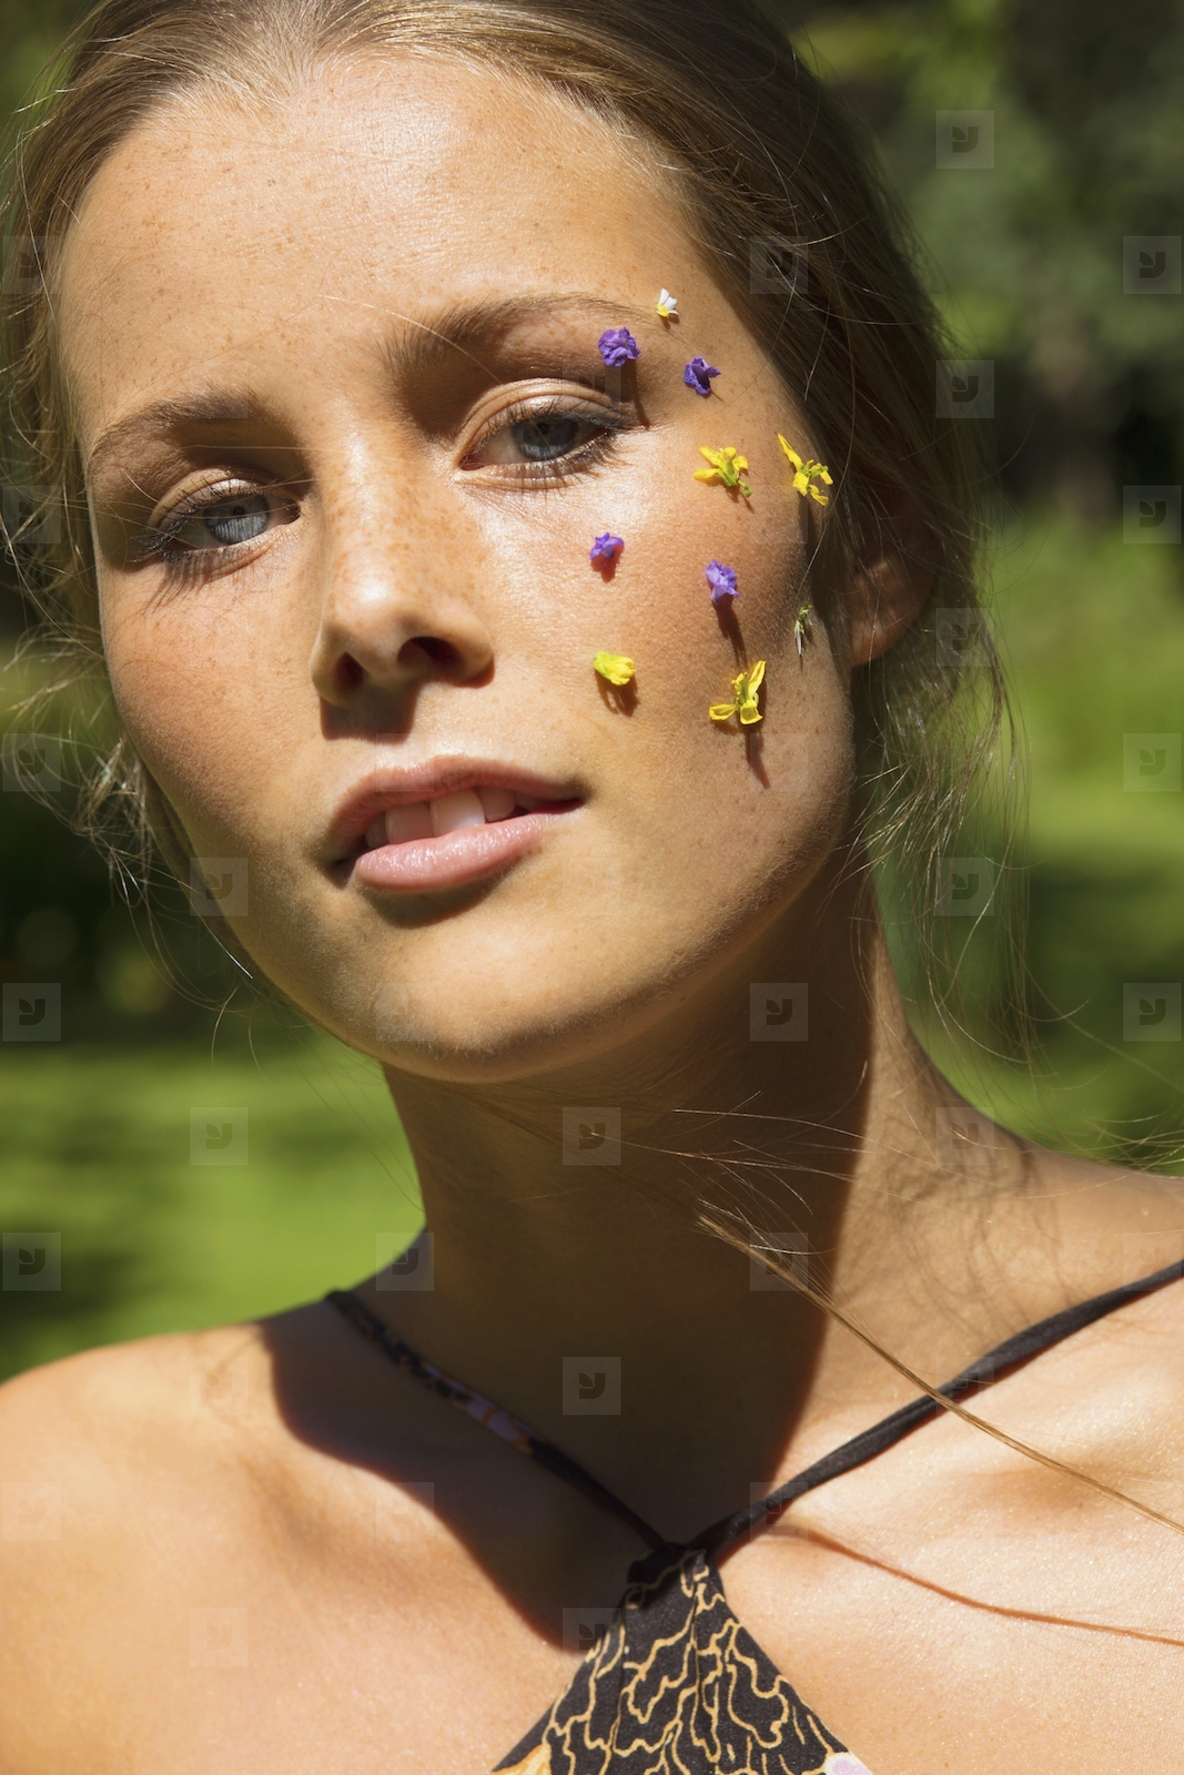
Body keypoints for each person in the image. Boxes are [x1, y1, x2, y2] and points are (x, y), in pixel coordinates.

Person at [2, 1, 1183, 1768]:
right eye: (216, 516)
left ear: (869, 526)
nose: (371, 607)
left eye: (546, 427)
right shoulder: (53, 1581)